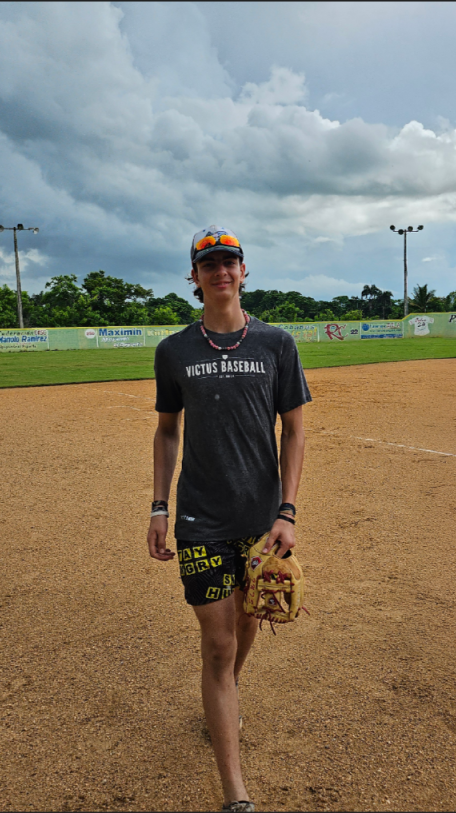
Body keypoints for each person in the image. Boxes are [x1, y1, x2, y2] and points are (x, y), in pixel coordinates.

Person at [147, 225, 311, 813]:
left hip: (262, 521)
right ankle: (235, 795)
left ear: (244, 271)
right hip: (199, 517)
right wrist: (159, 505)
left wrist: (287, 512)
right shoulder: (174, 351)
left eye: (229, 261)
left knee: (246, 624)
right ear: (194, 277)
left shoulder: (277, 345)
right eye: (208, 263)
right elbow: (167, 430)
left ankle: (226, 693)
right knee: (215, 645)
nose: (220, 271)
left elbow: (294, 431)